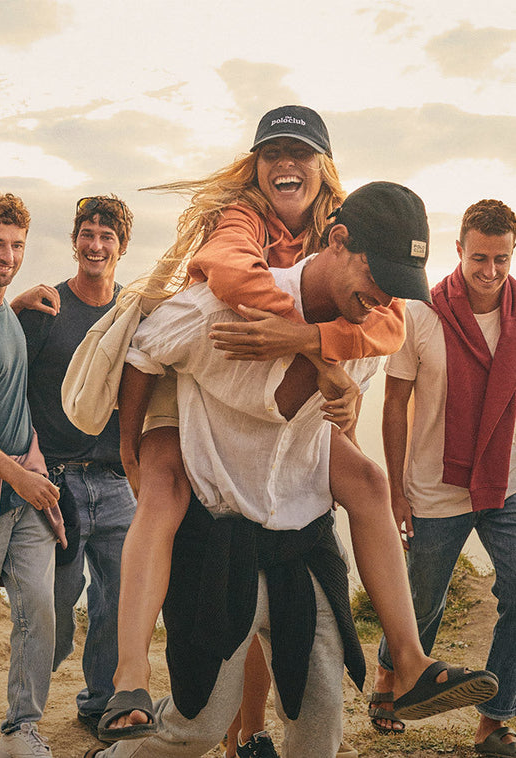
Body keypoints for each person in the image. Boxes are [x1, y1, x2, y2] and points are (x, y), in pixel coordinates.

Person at [83, 182, 498, 758]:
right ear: (339, 241)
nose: (383, 298)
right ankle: (118, 719)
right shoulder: (220, 311)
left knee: (320, 730)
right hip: (221, 538)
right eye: (378, 277)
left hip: (302, 543)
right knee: (197, 728)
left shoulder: (368, 331)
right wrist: (132, 449)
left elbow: (338, 425)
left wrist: (330, 376)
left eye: (396, 287)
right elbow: (145, 349)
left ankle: (410, 663)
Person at [91, 106, 406, 757]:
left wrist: (308, 344)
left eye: (300, 152)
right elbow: (231, 281)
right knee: (164, 489)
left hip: (281, 389)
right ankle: (128, 678)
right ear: (256, 165)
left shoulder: (346, 225)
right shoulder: (237, 215)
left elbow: (388, 325)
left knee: (362, 484)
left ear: (323, 165)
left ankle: (378, 670)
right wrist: (313, 346)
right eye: (272, 153)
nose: (285, 164)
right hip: (196, 373)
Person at [373, 198, 516, 754]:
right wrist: (396, 489)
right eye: (480, 258)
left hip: (505, 485)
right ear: (458, 251)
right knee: (422, 599)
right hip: (434, 487)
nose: (491, 271)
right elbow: (393, 404)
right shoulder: (421, 313)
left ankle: (495, 717)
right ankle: (393, 675)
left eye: (502, 259)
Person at [10, 196, 137, 738]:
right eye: (88, 234)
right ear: (74, 241)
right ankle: (28, 707)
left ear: (121, 247)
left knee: (117, 606)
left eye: (107, 237)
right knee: (54, 614)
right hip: (55, 483)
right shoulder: (47, 309)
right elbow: (12, 381)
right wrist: (14, 308)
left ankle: (101, 705)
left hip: (116, 481)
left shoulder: (134, 311)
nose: (96, 245)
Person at [0, 190, 63, 758]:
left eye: (15, 245)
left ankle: (21, 728)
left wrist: (15, 307)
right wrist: (16, 475)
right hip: (0, 485)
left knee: (39, 608)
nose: (6, 254)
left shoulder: (4, 313)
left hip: (21, 489)